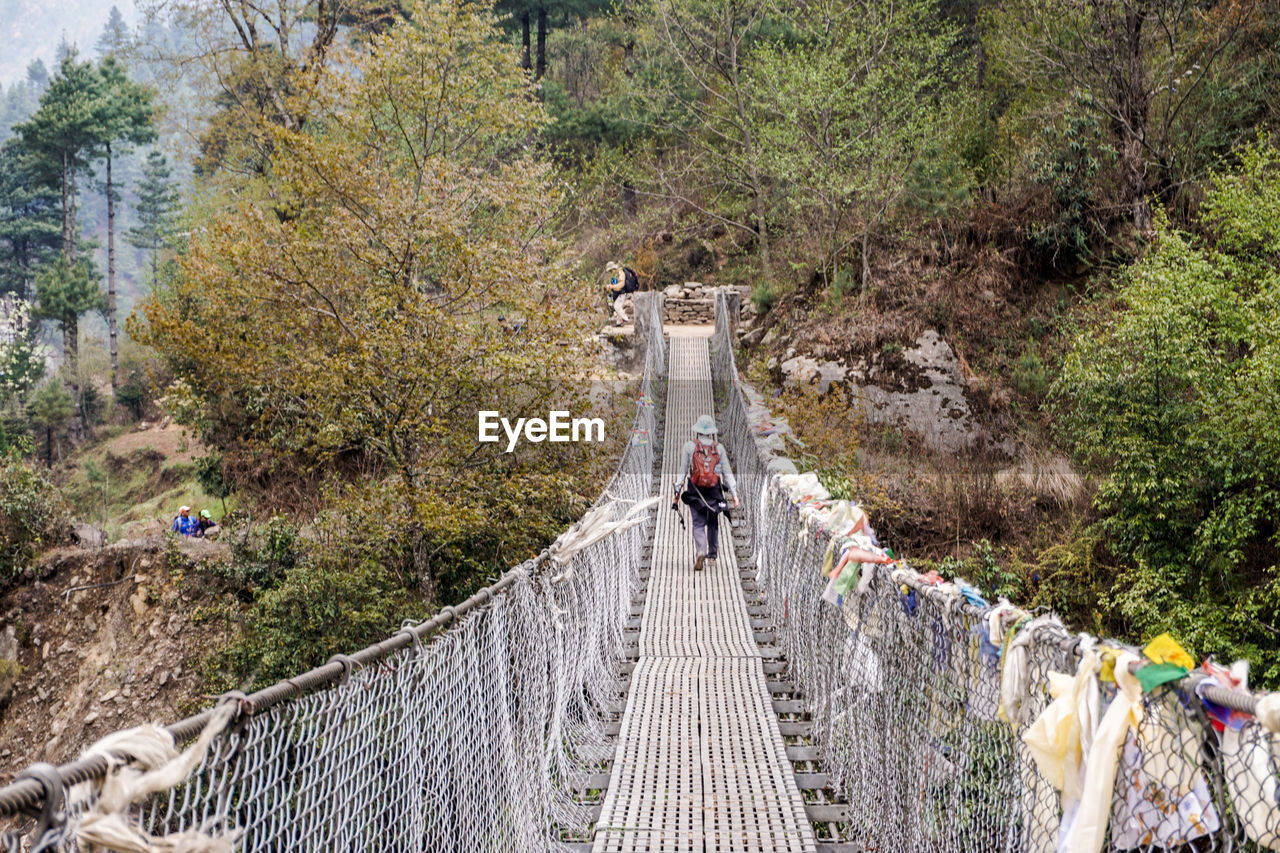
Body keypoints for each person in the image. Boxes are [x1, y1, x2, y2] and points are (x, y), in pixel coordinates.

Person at [673, 414, 739, 570]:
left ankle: (700, 550)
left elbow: (682, 472)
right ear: (711, 431)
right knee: (713, 523)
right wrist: (734, 494)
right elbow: (727, 472)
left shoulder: (689, 447)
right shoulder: (719, 448)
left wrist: (677, 493)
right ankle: (712, 556)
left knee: (698, 523)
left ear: (697, 430)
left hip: (695, 490)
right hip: (714, 491)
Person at [604, 261, 639, 326]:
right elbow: (615, 284)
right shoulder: (615, 275)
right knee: (617, 306)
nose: (610, 272)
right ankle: (619, 322)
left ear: (613, 269)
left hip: (622, 293)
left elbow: (621, 284)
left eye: (610, 271)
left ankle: (625, 319)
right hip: (618, 293)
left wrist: (611, 286)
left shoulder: (621, 273)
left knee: (616, 306)